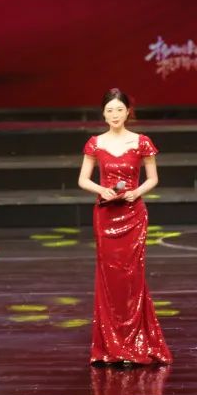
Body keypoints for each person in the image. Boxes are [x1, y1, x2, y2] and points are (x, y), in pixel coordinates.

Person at [78, 88, 172, 367]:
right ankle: (109, 347)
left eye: (119, 109)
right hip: (106, 215)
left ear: (128, 112)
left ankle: (134, 342)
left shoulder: (141, 141)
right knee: (108, 278)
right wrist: (101, 189)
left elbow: (153, 178)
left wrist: (136, 192)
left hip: (133, 214)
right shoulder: (95, 143)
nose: (115, 115)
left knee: (132, 277)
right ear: (103, 113)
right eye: (110, 110)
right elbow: (83, 179)